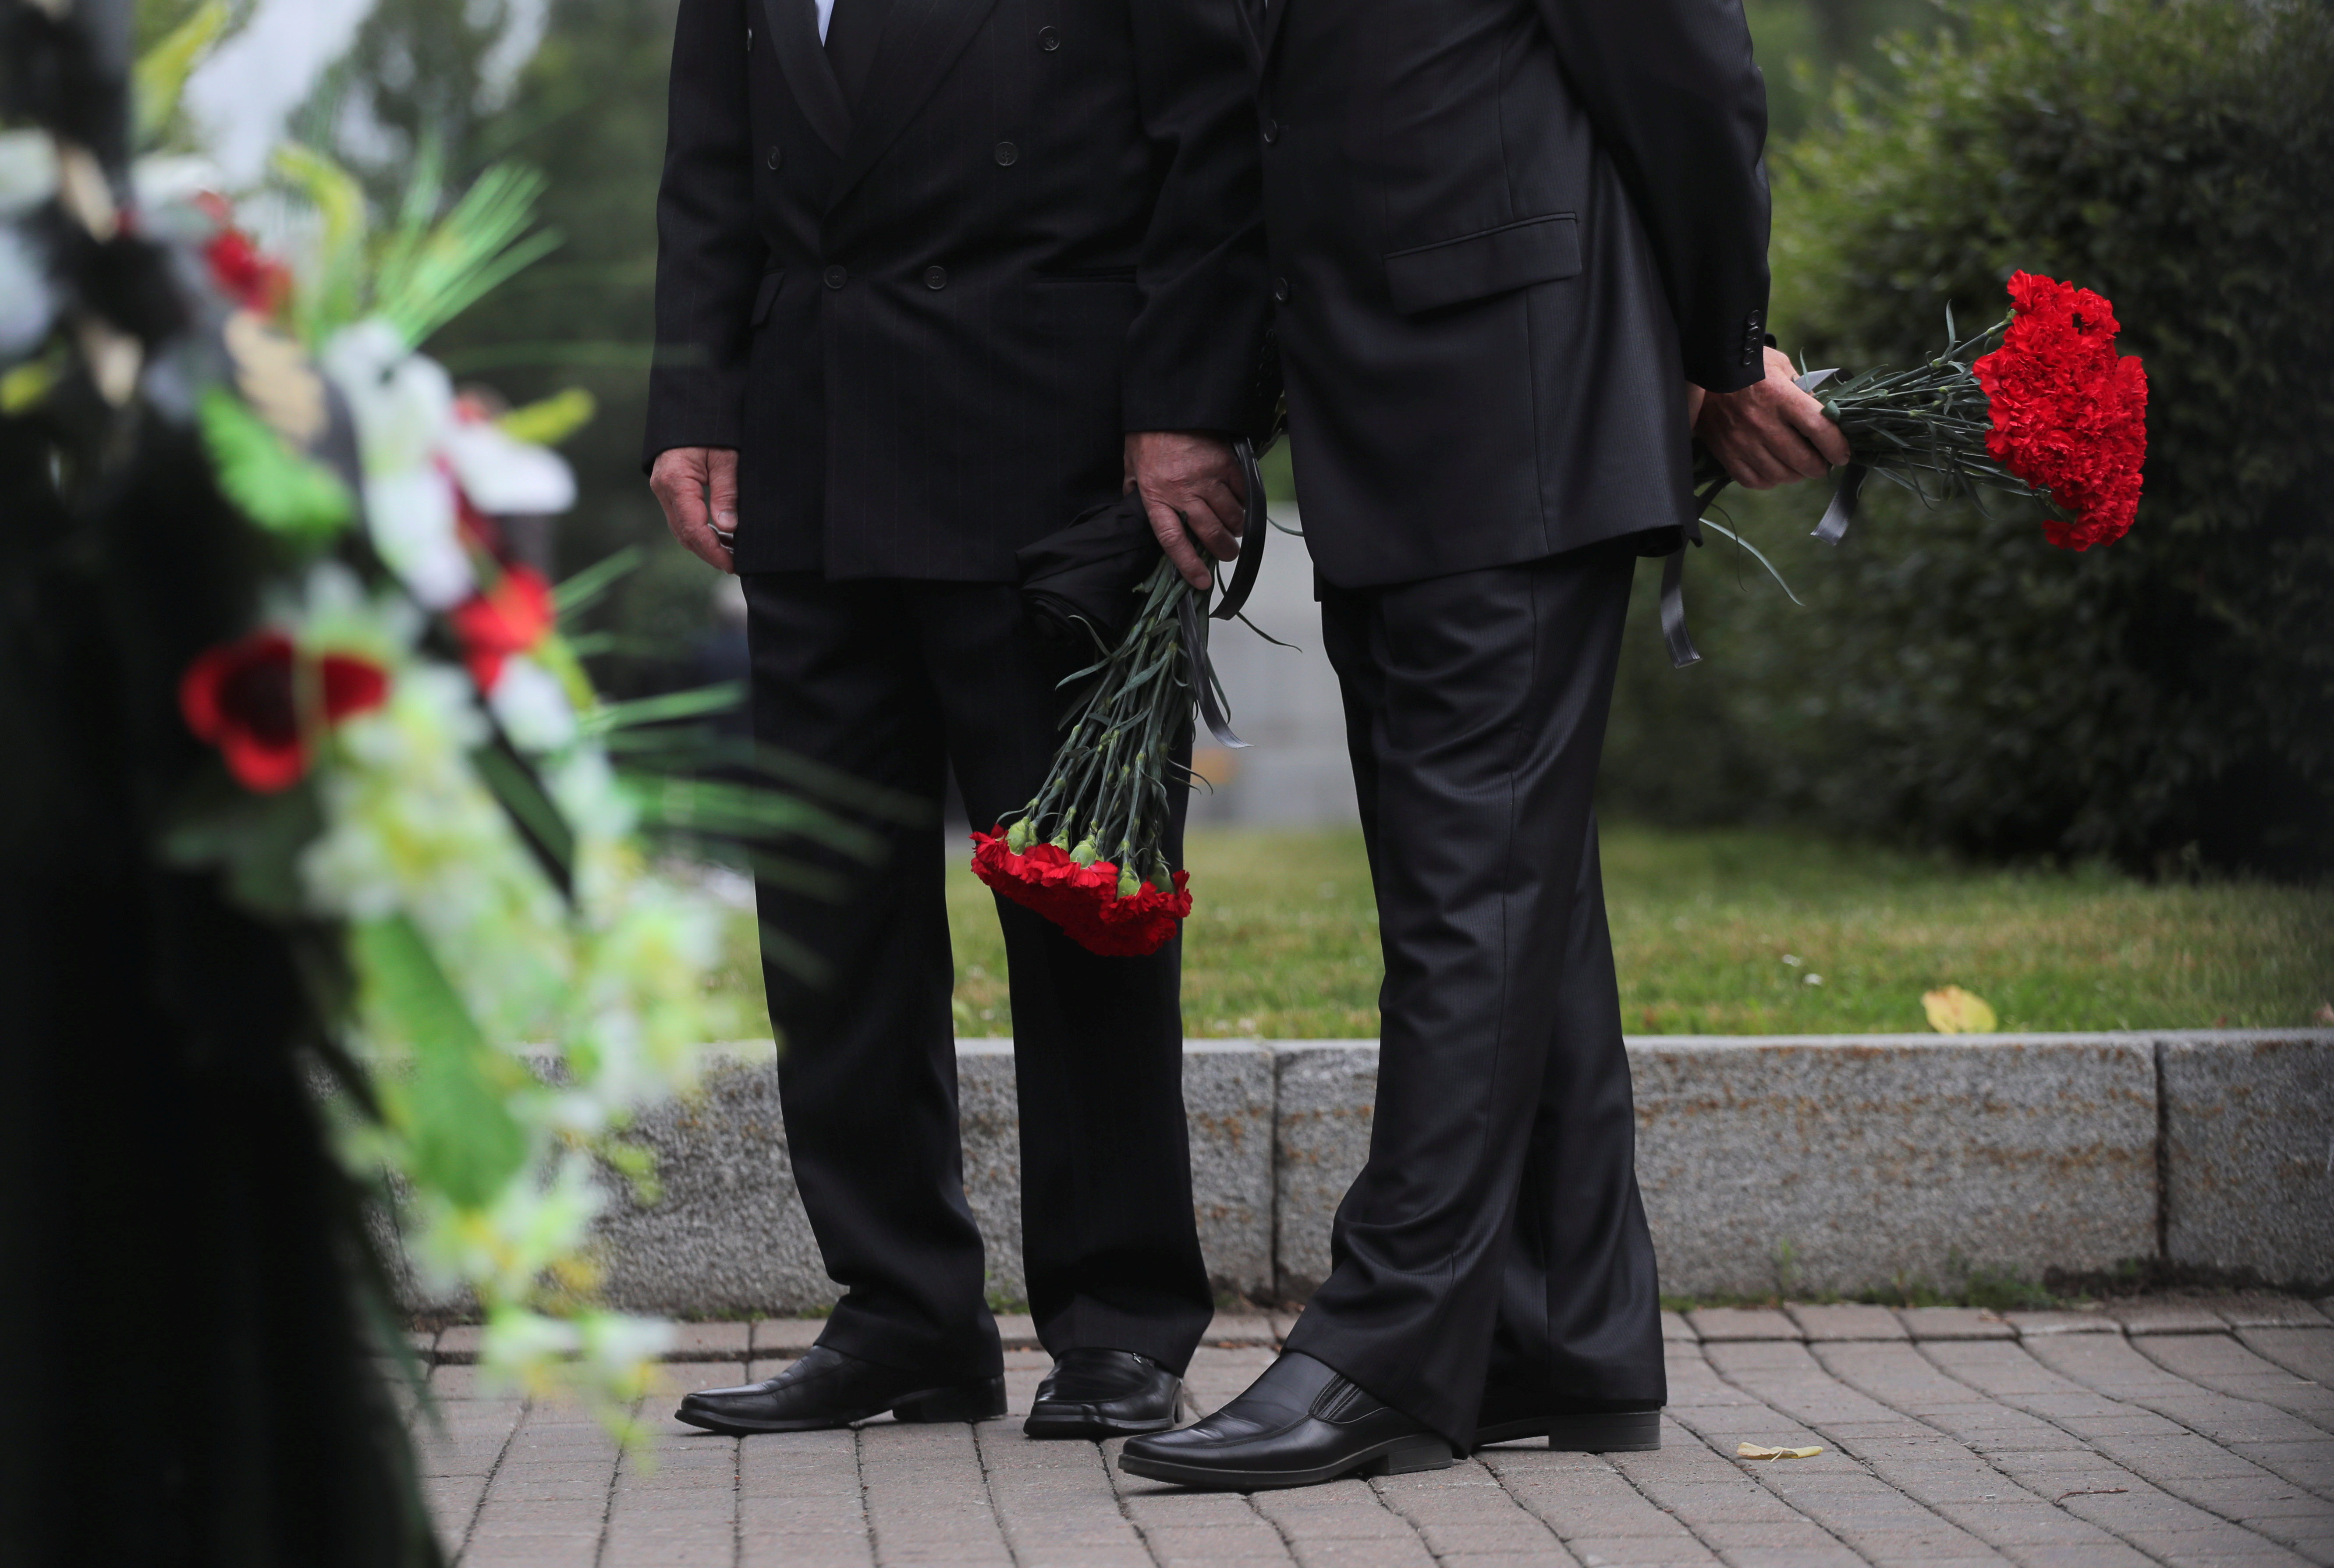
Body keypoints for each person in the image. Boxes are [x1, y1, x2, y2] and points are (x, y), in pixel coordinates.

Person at [1119, 0, 1849, 1490]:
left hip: (1520, 391)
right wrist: (1194, 405)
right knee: (1513, 887)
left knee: (1472, 896)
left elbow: (1689, 76)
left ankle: (1385, 1350)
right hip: (1374, 414)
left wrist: (1718, 343)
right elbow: (1232, 125)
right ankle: (1567, 1339)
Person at [642, 0, 1269, 1439]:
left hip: (1051, 455)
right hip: (809, 455)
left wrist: (1189, 402)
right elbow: (712, 163)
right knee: (832, 919)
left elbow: (1209, 149)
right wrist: (693, 401)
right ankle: (902, 1312)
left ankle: (1119, 1320)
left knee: (1079, 913)